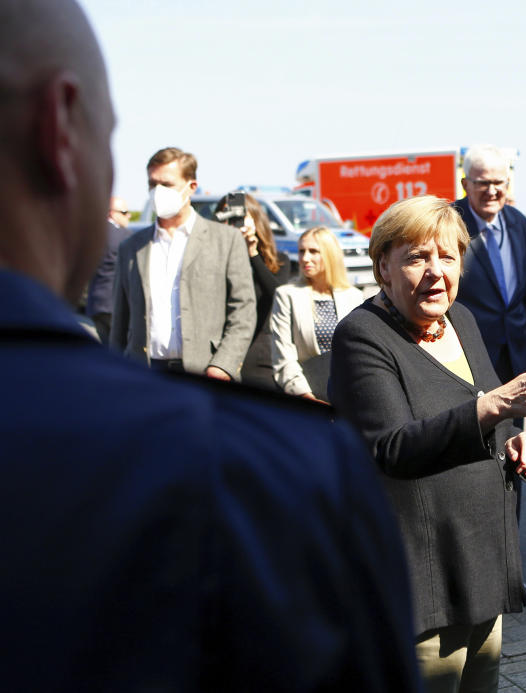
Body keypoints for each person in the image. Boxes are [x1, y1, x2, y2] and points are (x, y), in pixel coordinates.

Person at [0, 1, 421, 690]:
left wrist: (223, 365)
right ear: (58, 128)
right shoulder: (268, 479)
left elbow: (240, 307)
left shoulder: (222, 247)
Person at [328, 195, 526, 693]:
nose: (435, 272)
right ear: (383, 267)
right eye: (417, 257)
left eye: (447, 257)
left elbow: (485, 405)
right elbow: (392, 447)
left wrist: (516, 440)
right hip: (423, 576)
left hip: (480, 559)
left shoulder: (460, 319)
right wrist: (498, 409)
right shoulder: (362, 335)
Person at [452, 143, 526, 603]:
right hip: (464, 361)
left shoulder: (520, 223)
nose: (491, 190)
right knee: (469, 466)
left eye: (499, 182)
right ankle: (472, 576)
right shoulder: (448, 224)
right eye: (482, 182)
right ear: (465, 184)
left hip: (513, 363)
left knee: (514, 461)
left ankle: (510, 571)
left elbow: (519, 296)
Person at [111, 147, 256, 380]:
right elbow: (120, 320)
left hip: (206, 374)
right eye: (152, 184)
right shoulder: (132, 247)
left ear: (191, 187)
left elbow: (244, 309)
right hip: (144, 375)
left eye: (167, 185)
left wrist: (223, 365)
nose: (158, 192)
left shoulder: (225, 240)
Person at [271, 226, 363, 401]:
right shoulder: (287, 295)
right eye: (301, 251)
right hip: (307, 393)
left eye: (313, 251)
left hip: (350, 395)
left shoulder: (354, 296)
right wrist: (306, 396)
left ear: (330, 255)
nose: (305, 258)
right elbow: (283, 356)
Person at [214, 193, 291, 389]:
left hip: (260, 356)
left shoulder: (279, 261)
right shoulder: (212, 259)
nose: (235, 223)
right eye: (229, 217)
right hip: (220, 353)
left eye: (241, 217)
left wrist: (252, 253)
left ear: (256, 221)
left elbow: (278, 295)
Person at [85, 195, 131, 342]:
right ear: (112, 213)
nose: (128, 216)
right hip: (115, 304)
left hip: (95, 303)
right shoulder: (125, 236)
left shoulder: (92, 233)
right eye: (124, 212)